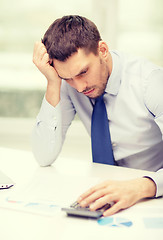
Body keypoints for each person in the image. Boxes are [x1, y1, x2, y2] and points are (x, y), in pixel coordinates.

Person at [32, 15, 163, 216]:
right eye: (67, 78)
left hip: (151, 197)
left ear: (102, 50)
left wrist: (142, 187)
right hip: (105, 196)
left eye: (83, 72)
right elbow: (43, 156)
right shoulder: (70, 85)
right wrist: (53, 83)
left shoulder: (150, 82)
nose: (80, 87)